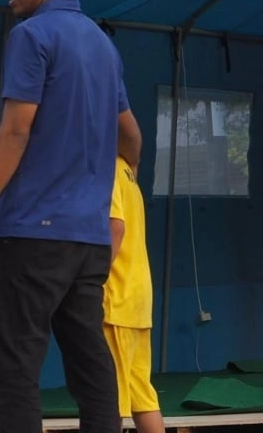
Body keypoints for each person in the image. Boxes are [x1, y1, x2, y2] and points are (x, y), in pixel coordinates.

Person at [0, 0, 142, 433]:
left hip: (33, 233)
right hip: (88, 238)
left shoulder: (32, 34)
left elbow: (15, 132)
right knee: (89, 361)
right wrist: (101, 187)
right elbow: (132, 139)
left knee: (12, 366)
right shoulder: (102, 44)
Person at [105, 157, 165, 433]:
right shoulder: (126, 170)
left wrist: (91, 281)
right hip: (137, 295)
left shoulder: (106, 168)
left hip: (115, 295)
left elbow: (114, 227)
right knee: (141, 392)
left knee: (107, 397)